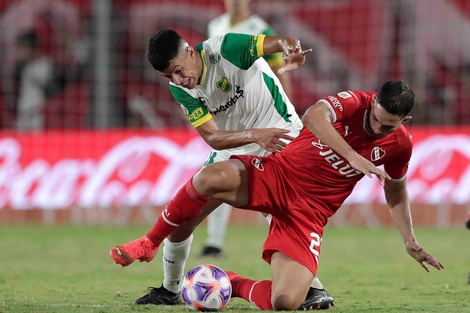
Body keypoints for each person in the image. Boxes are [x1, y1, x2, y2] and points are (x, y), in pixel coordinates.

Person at [110, 80, 444, 310]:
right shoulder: (354, 102)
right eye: (376, 119)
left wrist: (409, 239)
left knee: (286, 302)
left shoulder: (400, 145)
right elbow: (313, 115)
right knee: (211, 176)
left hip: (309, 213)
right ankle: (150, 241)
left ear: (404, 121)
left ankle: (232, 281)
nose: (378, 128)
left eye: (387, 126)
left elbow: (396, 190)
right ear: (373, 104)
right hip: (279, 175)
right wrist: (355, 157)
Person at [110, 28, 335, 310]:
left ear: (190, 51)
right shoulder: (181, 88)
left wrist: (290, 48)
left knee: (284, 214)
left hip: (283, 139)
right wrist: (253, 135)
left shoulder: (228, 48)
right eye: (169, 77)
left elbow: (281, 41)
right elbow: (213, 138)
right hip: (234, 147)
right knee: (182, 220)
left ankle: (314, 288)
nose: (178, 80)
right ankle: (170, 289)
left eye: (178, 70)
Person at [202, 0, 294, 259]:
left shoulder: (259, 27)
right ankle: (214, 242)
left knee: (273, 182)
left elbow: (279, 68)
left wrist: (285, 109)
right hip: (229, 114)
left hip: (260, 110)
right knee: (219, 174)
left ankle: (289, 243)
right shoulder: (215, 25)